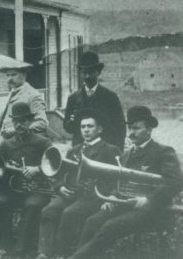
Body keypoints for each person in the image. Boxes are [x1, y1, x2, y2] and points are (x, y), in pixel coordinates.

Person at [69, 106, 183, 259]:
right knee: (92, 221)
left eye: (136, 128)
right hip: (128, 206)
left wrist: (149, 199)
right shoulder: (127, 154)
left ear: (149, 130)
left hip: (155, 210)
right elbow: (121, 181)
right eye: (130, 128)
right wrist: (113, 197)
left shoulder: (163, 151)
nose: (131, 133)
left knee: (110, 226)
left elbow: (175, 181)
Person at [35, 111, 120, 259]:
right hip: (70, 193)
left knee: (70, 213)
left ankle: (62, 254)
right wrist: (60, 187)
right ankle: (44, 254)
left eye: (90, 126)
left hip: (92, 196)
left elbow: (118, 177)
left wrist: (110, 194)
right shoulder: (75, 149)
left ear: (99, 129)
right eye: (82, 127)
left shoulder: (110, 150)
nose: (85, 130)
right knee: (49, 210)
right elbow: (60, 174)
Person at [0, 102, 52, 257]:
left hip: (37, 189)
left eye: (24, 121)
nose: (19, 125)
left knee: (31, 205)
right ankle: (3, 244)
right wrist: (3, 171)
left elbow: (54, 164)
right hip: (15, 189)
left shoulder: (42, 142)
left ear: (30, 122)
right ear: (13, 123)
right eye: (16, 121)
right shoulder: (7, 144)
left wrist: (37, 169)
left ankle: (22, 249)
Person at [63, 51, 126, 150]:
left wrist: (117, 152)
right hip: (81, 149)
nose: (87, 76)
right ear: (80, 73)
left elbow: (120, 128)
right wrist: (72, 121)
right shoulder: (73, 98)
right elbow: (67, 127)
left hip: (104, 150)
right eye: (84, 72)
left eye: (91, 72)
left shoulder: (110, 97)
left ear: (98, 72)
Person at [0, 53, 48, 139]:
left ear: (24, 75)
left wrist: (15, 130)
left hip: (22, 143)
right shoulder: (12, 93)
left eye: (13, 75)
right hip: (7, 143)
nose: (9, 79)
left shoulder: (33, 95)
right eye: (7, 75)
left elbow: (42, 123)